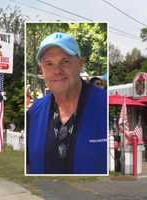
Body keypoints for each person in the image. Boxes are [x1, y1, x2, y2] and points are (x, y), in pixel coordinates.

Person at [27, 32, 107, 174]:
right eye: (49, 64)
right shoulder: (34, 112)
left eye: (65, 61)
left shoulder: (105, 104)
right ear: (42, 70)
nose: (57, 71)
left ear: (80, 64)